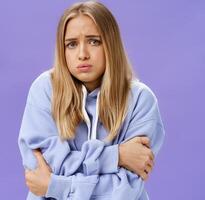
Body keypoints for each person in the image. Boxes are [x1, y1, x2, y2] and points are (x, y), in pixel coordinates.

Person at [18, 1, 165, 199]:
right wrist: (117, 156)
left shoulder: (141, 100)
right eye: (71, 44)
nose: (82, 54)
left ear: (110, 44)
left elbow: (124, 192)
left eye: (94, 41)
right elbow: (41, 168)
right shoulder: (44, 90)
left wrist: (55, 186)